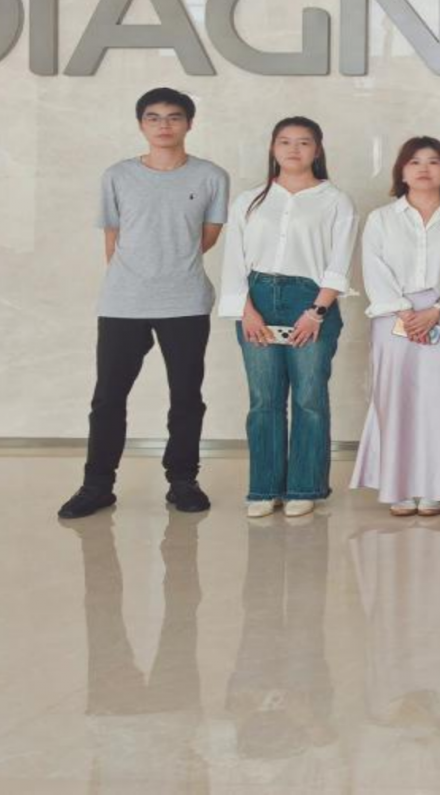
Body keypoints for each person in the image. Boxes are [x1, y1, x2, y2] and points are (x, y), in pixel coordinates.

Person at [58, 89, 231, 519]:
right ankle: (97, 485)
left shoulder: (211, 176)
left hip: (185, 301)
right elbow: (112, 238)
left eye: (174, 117)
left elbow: (207, 237)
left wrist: (171, 263)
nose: (163, 125)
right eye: (153, 118)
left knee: (186, 396)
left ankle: (183, 481)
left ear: (189, 123)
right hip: (123, 302)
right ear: (141, 125)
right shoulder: (117, 175)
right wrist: (135, 275)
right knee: (108, 398)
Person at [217, 116, 357, 519]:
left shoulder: (335, 200)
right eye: (285, 141)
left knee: (309, 398)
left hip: (311, 300)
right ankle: (264, 489)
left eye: (304, 142)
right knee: (264, 399)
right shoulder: (249, 200)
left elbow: (339, 263)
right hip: (257, 298)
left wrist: (316, 312)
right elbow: (234, 260)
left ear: (318, 149)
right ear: (273, 148)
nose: (294, 149)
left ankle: (304, 487)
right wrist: (246, 311)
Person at [353, 137, 440, 517]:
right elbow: (374, 270)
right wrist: (405, 313)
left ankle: (436, 487)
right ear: (402, 171)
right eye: (414, 161)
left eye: (434, 161)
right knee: (395, 400)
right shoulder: (381, 218)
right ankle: (398, 486)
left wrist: (436, 310)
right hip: (394, 317)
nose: (424, 168)